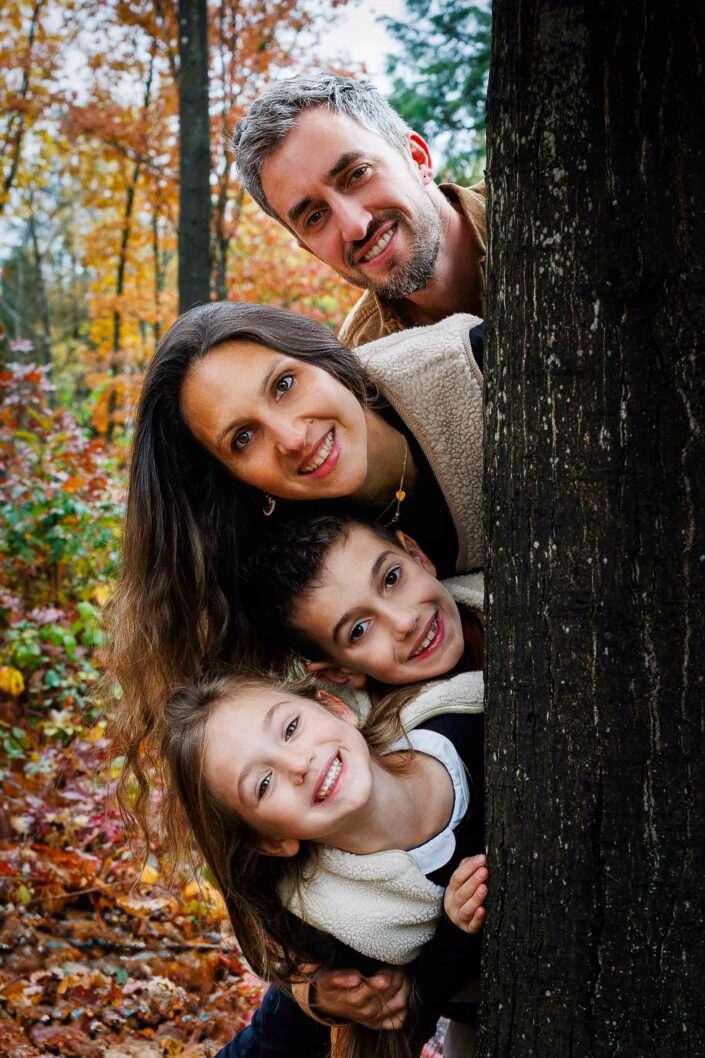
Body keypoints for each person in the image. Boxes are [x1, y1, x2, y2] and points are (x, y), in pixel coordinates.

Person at [108, 301, 483, 822]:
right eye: (243, 439)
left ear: (323, 357)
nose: (291, 438)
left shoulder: (468, 371)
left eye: (284, 385)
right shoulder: (308, 564)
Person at [161, 671, 488, 1058]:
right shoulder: (337, 921)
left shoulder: (461, 714)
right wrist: (454, 933)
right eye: (264, 784)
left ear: (335, 707)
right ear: (272, 840)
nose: (298, 764)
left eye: (291, 728)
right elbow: (277, 1042)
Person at [232, 74, 486, 347]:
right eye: (315, 217)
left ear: (416, 158)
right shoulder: (363, 362)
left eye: (357, 174)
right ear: (309, 249)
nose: (355, 226)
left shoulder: (523, 201)